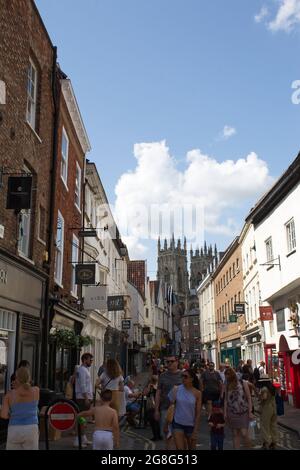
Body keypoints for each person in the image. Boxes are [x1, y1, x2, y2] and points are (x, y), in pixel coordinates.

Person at [1, 367, 39, 450]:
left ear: (16, 379)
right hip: (31, 428)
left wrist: (12, 415)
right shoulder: (36, 390)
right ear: (29, 377)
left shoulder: (9, 395)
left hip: (14, 428)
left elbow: (3, 415)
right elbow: (27, 388)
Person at [168, 369, 202, 450]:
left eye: (185, 376)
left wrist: (195, 430)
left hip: (191, 425)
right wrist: (167, 424)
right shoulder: (176, 389)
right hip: (177, 423)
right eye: (182, 376)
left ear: (192, 379)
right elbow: (171, 406)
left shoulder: (198, 393)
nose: (183, 378)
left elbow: (198, 413)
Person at [154, 355, 182, 447]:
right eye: (167, 362)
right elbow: (158, 393)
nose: (169, 363)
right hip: (165, 408)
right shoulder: (162, 376)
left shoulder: (183, 375)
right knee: (166, 434)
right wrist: (156, 410)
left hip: (180, 410)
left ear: (177, 362)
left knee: (178, 436)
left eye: (172, 361)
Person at [224, 367, 254, 450]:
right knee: (235, 434)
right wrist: (225, 413)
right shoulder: (227, 385)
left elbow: (248, 397)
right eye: (226, 376)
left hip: (243, 411)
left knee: (244, 433)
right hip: (232, 412)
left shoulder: (242, 383)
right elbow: (226, 399)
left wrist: (250, 411)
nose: (227, 378)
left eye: (228, 375)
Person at [74, 353, 94, 447]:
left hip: (84, 397)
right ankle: (77, 441)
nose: (91, 361)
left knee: (83, 419)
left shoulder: (84, 370)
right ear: (85, 360)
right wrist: (86, 398)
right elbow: (82, 385)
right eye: (90, 360)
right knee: (81, 419)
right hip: (82, 398)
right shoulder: (82, 370)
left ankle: (83, 438)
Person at [258, 374, 278, 449]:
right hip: (274, 407)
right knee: (273, 425)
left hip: (266, 408)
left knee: (264, 426)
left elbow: (264, 398)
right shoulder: (272, 387)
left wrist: (260, 397)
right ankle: (274, 442)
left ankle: (267, 443)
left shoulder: (264, 389)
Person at [144, 375, 161, 441]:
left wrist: (148, 385)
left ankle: (155, 436)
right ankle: (159, 435)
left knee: (153, 421)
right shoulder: (158, 387)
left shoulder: (151, 387)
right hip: (158, 405)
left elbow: (145, 393)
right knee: (157, 421)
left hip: (152, 406)